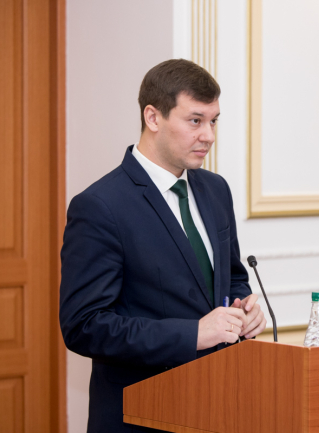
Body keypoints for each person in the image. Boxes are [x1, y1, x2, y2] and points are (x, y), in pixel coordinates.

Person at [59, 59, 266, 433]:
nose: (209, 136)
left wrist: (243, 309)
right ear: (153, 117)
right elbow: (84, 326)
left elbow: (232, 277)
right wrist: (192, 334)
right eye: (195, 120)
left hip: (219, 404)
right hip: (141, 414)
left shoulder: (216, 189)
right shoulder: (100, 205)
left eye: (214, 121)